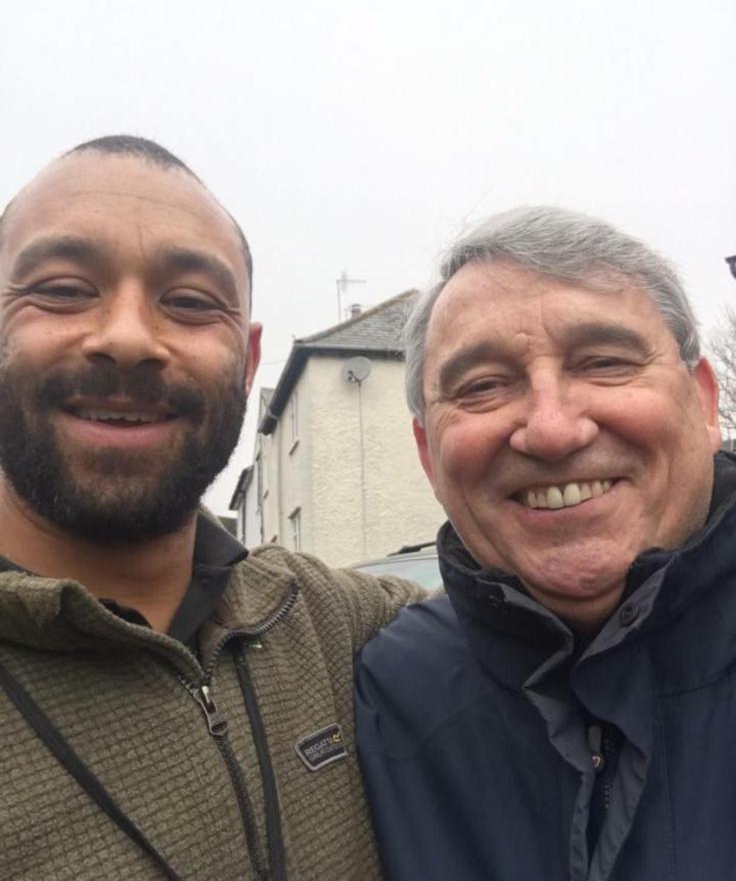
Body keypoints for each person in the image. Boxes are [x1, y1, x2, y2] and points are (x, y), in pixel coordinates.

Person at [0, 135, 423, 881]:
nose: (129, 338)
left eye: (191, 304)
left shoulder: (333, 623)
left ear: (249, 359)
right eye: (64, 289)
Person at [355, 206, 733, 881]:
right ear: (428, 456)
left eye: (605, 363)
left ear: (704, 404)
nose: (553, 431)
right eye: (483, 386)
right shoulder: (383, 695)